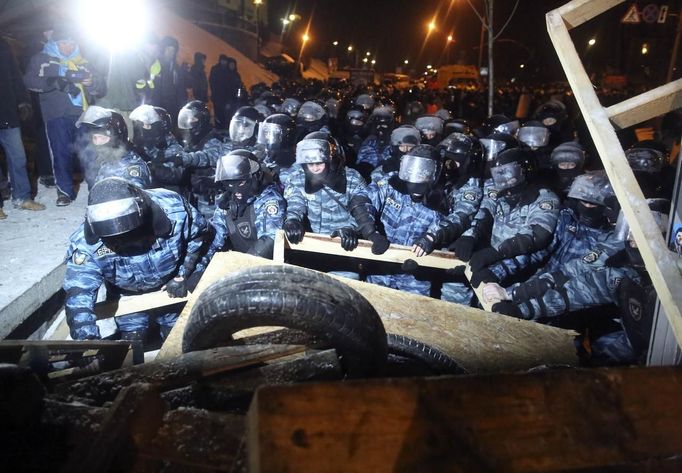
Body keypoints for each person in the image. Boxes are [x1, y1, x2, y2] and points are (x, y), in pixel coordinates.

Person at [63, 177, 209, 341]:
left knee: (178, 336)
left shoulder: (175, 210)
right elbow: (79, 291)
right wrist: (86, 338)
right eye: (117, 240)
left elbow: (200, 237)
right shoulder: (85, 245)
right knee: (133, 340)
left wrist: (184, 274)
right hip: (126, 296)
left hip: (171, 287)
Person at [350, 144, 446, 295]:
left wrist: (427, 248)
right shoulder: (391, 183)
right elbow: (362, 201)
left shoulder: (440, 198)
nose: (417, 177)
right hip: (380, 265)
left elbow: (443, 230)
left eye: (423, 173)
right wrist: (372, 234)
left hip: (415, 275)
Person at [24, 25, 104, 206]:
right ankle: (64, 192)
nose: (67, 47)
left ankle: (96, 189)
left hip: (83, 113)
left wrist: (91, 82)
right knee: (60, 153)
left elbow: (100, 87)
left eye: (70, 43)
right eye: (62, 43)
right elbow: (29, 81)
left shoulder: (83, 61)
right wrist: (54, 81)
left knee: (89, 152)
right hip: (56, 113)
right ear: (54, 42)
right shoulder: (42, 59)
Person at [283, 131, 367, 277]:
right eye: (310, 164)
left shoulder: (352, 178)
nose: (315, 168)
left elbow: (363, 209)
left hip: (343, 251)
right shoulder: (296, 178)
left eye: (319, 163)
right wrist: (292, 220)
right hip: (308, 250)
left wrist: (351, 228)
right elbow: (296, 202)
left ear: (331, 158)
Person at [204, 149, 286, 260]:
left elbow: (270, 239)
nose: (236, 190)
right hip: (240, 265)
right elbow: (215, 240)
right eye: (230, 183)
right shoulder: (227, 203)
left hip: (265, 267)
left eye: (241, 182)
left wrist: (242, 266)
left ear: (256, 177)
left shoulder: (269, 199)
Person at [0, 38, 45, 212]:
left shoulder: (2, 45)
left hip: (7, 112)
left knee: (18, 158)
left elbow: (15, 75)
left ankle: (22, 197)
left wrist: (22, 101)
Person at [75, 106, 151, 189]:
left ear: (117, 139)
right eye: (95, 138)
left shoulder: (132, 165)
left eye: (102, 138)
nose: (97, 143)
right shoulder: (101, 159)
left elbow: (136, 193)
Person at [153, 36, 188, 126]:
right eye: (168, 49)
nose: (170, 53)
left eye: (173, 50)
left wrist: (182, 105)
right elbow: (153, 88)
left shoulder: (176, 67)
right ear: (163, 49)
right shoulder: (156, 65)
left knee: (172, 129)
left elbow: (181, 87)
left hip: (173, 106)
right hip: (159, 105)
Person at [209, 55, 243, 129]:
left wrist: (239, 95)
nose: (232, 66)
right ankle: (220, 128)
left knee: (229, 115)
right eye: (230, 64)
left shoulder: (235, 74)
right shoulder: (218, 70)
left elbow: (239, 86)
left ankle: (227, 128)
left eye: (233, 65)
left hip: (231, 98)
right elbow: (213, 83)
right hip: (221, 97)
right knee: (220, 114)